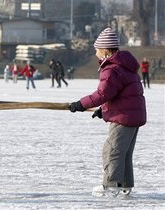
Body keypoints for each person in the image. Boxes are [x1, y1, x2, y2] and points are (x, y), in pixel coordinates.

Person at [68, 28, 146, 197]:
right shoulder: (124, 66)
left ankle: (111, 184)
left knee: (112, 150)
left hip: (124, 117)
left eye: (97, 50)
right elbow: (122, 95)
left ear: (105, 50)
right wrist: (103, 110)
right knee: (123, 151)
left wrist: (80, 104)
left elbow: (103, 94)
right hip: (131, 114)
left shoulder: (112, 69)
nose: (95, 53)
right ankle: (124, 184)